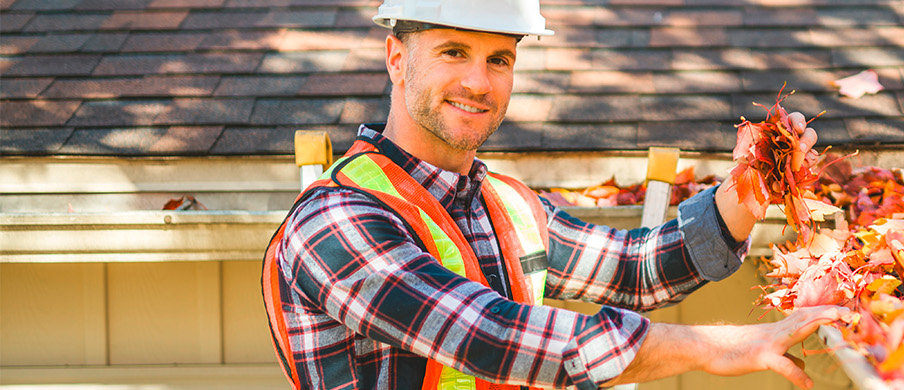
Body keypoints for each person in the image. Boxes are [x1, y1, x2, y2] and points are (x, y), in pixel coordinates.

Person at [260, 1, 843, 389]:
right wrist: (712, 346)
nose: (478, 82)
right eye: (453, 52)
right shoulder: (335, 220)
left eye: (499, 59)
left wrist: (749, 189)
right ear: (396, 58)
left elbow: (636, 269)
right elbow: (488, 334)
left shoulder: (507, 206)